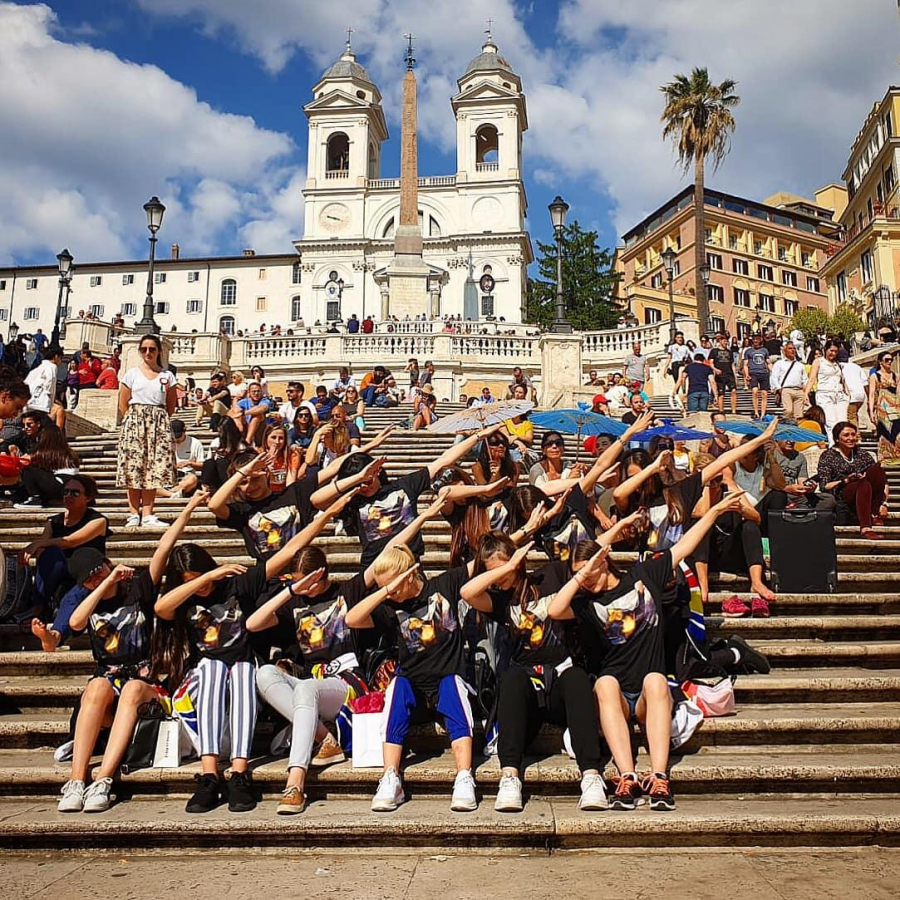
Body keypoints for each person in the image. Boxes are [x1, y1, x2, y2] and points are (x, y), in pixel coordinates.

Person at [251, 493, 448, 814]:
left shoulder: (348, 591)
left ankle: (295, 782)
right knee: (264, 674)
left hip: (345, 683)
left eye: (304, 581)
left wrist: (423, 518)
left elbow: (389, 550)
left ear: (322, 573)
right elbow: (253, 623)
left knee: (305, 687)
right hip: (309, 690)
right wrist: (291, 591)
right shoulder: (294, 604)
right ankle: (325, 738)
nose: (301, 587)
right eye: (295, 581)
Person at [547, 492, 746, 811]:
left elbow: (686, 545)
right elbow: (555, 610)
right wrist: (582, 574)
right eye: (580, 576)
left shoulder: (644, 576)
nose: (586, 581)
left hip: (647, 696)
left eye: (591, 571)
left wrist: (716, 510)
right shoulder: (585, 604)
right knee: (604, 683)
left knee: (655, 679)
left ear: (605, 562)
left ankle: (659, 776)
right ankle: (626, 775)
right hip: (616, 698)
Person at [154, 494, 350, 814]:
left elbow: (287, 551)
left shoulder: (239, 585)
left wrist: (325, 516)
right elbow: (161, 607)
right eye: (191, 583)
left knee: (245, 669)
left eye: (200, 578)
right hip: (201, 683)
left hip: (240, 675)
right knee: (214, 667)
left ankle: (240, 773)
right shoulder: (183, 599)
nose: (200, 589)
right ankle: (208, 775)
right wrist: (206, 578)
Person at [55, 496, 204, 813]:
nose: (100, 576)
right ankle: (77, 780)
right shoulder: (89, 603)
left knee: (133, 688)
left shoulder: (139, 588)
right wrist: (104, 583)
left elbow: (164, 548)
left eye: (102, 569)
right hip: (110, 692)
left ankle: (104, 780)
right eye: (91, 577)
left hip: (146, 690)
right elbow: (76, 622)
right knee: (96, 686)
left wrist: (189, 510)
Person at [460, 536, 607, 813]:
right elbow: (467, 593)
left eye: (500, 568)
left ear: (519, 561)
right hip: (526, 692)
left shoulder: (549, 576)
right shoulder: (500, 600)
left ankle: (591, 777)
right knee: (512, 679)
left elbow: (590, 553)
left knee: (576, 677)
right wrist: (505, 569)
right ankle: (510, 778)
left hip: (559, 681)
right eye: (490, 572)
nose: (496, 578)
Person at [346, 545, 486, 812]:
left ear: (410, 575)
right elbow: (352, 619)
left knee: (453, 686)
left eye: (394, 586)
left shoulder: (444, 584)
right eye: (386, 588)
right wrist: (387, 591)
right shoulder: (388, 606)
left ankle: (464, 776)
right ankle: (391, 778)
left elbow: (483, 560)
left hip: (447, 680)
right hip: (414, 687)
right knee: (397, 685)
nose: (390, 593)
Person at [313, 426, 498, 568]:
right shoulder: (353, 501)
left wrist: (477, 436)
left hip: (411, 566)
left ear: (377, 472)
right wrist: (357, 478)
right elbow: (316, 500)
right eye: (359, 483)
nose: (364, 486)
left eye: (368, 480)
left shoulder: (404, 486)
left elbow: (444, 460)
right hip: (374, 569)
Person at [24, 475, 108, 651]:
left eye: (75, 492)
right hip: (59, 577)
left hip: (88, 577)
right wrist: (40, 547)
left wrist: (39, 543)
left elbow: (70, 541)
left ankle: (55, 636)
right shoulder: (53, 522)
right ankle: (39, 606)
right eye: (66, 492)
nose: (68, 496)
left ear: (88, 497)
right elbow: (43, 552)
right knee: (50, 554)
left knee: (75, 594)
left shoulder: (98, 521)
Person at [116, 334, 177, 529]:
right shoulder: (132, 374)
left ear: (159, 351)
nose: (148, 353)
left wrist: (156, 419)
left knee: (153, 467)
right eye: (144, 349)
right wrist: (133, 420)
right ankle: (133, 512)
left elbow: (171, 404)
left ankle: (149, 512)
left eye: (152, 349)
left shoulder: (167, 376)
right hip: (135, 420)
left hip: (157, 422)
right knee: (134, 467)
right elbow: (122, 402)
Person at [817, 421, 888, 539]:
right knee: (862, 483)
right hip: (842, 491)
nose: (851, 438)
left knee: (877, 469)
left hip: (866, 490)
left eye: (853, 434)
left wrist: (884, 503)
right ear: (837, 439)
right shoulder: (828, 456)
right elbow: (825, 485)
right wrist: (846, 480)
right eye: (846, 435)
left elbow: (883, 481)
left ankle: (875, 512)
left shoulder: (861, 454)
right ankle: (866, 528)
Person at [15, 424, 80, 508]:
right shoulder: (67, 453)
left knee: (28, 468)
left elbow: (24, 460)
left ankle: (35, 498)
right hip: (68, 487)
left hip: (60, 486)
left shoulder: (49, 454)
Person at [804, 341, 849, 442]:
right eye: (831, 350)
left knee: (843, 422)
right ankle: (833, 445)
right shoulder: (819, 362)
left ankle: (843, 445)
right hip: (825, 394)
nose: (833, 353)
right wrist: (806, 393)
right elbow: (812, 378)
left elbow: (842, 380)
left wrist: (848, 394)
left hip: (839, 395)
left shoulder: (837, 364)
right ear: (825, 350)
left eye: (835, 351)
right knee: (830, 422)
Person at [159, 419, 206, 499]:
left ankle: (167, 492)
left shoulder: (195, 443)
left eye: (178, 437)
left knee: (192, 479)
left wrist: (190, 463)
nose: (176, 440)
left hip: (186, 475)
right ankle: (174, 494)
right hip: (167, 476)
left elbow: (203, 465)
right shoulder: (164, 443)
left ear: (184, 431)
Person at [868, 351, 900, 467]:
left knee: (897, 433)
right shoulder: (875, 376)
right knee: (884, 433)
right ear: (881, 362)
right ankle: (885, 458)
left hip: (896, 407)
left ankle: (896, 457)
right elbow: (871, 394)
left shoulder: (896, 375)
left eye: (891, 359)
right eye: (887, 360)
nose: (889, 362)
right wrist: (871, 411)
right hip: (882, 408)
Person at [25, 345, 65, 429]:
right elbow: (50, 381)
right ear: (56, 356)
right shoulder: (52, 366)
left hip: (30, 401)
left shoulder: (38, 368)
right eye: (61, 358)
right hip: (41, 402)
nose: (60, 361)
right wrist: (51, 398)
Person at [770, 342, 806, 420]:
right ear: (784, 351)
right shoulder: (779, 364)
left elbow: (804, 378)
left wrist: (805, 391)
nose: (792, 350)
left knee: (799, 415)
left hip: (799, 390)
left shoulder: (800, 365)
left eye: (794, 348)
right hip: (786, 390)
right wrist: (779, 389)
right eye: (790, 348)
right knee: (788, 411)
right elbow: (774, 377)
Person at [742, 333, 772, 419]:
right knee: (755, 391)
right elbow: (745, 364)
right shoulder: (748, 351)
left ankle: (763, 413)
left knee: (764, 394)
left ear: (760, 340)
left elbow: (768, 362)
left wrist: (772, 371)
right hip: (753, 372)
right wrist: (747, 374)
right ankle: (756, 412)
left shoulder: (764, 350)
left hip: (763, 372)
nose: (756, 341)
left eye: (757, 339)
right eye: (754, 339)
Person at [237, 381, 273, 446]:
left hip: (261, 430)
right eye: (254, 391)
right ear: (249, 392)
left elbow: (262, 408)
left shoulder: (265, 401)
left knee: (257, 415)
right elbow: (232, 412)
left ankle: (247, 441)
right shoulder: (243, 402)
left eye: (258, 391)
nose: (256, 393)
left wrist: (244, 413)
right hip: (245, 428)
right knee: (237, 416)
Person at [710, 333, 738, 416]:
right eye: (724, 341)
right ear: (720, 341)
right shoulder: (714, 351)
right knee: (721, 394)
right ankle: (721, 411)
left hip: (729, 374)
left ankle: (734, 411)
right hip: (719, 375)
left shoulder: (729, 352)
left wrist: (735, 375)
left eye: (727, 341)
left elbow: (732, 364)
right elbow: (711, 363)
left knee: (733, 391)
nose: (726, 343)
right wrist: (715, 369)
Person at [663, 332, 691, 409]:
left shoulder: (685, 347)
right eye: (678, 337)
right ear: (675, 338)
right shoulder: (672, 347)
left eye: (681, 337)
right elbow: (669, 357)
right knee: (678, 381)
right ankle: (676, 397)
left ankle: (678, 398)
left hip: (683, 364)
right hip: (675, 364)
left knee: (682, 381)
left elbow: (689, 356)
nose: (680, 339)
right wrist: (665, 368)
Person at [841, 358, 868, 428]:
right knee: (854, 415)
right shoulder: (856, 366)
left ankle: (857, 436)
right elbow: (865, 383)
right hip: (861, 396)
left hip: (851, 396)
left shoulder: (839, 366)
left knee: (851, 417)